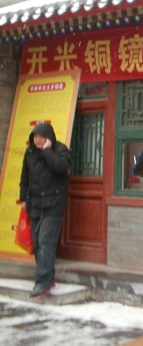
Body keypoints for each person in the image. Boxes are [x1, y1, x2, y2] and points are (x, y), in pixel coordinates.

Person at [19, 122, 71, 298]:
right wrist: (23, 198)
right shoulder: (30, 152)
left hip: (53, 205)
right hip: (35, 205)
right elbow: (25, 177)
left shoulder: (60, 149)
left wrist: (47, 151)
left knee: (46, 241)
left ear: (49, 137)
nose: (38, 140)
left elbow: (60, 167)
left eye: (41, 137)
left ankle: (42, 282)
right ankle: (47, 278)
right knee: (37, 243)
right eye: (35, 137)